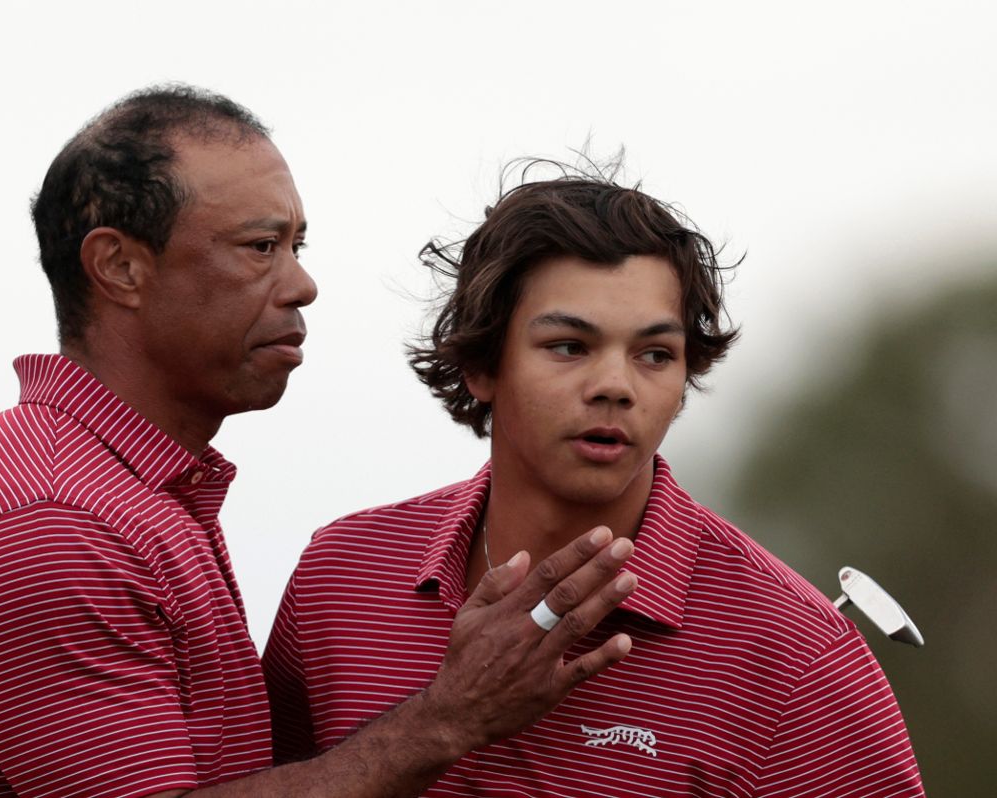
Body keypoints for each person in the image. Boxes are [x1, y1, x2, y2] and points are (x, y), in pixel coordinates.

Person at [0, 88, 639, 798]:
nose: (302, 284)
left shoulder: (128, 488)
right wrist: (449, 718)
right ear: (119, 268)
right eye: (260, 246)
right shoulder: (51, 523)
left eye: (299, 244)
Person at [263, 162, 926, 796]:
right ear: (480, 364)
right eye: (568, 346)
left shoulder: (795, 651)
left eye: (656, 355)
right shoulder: (339, 577)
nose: (615, 386)